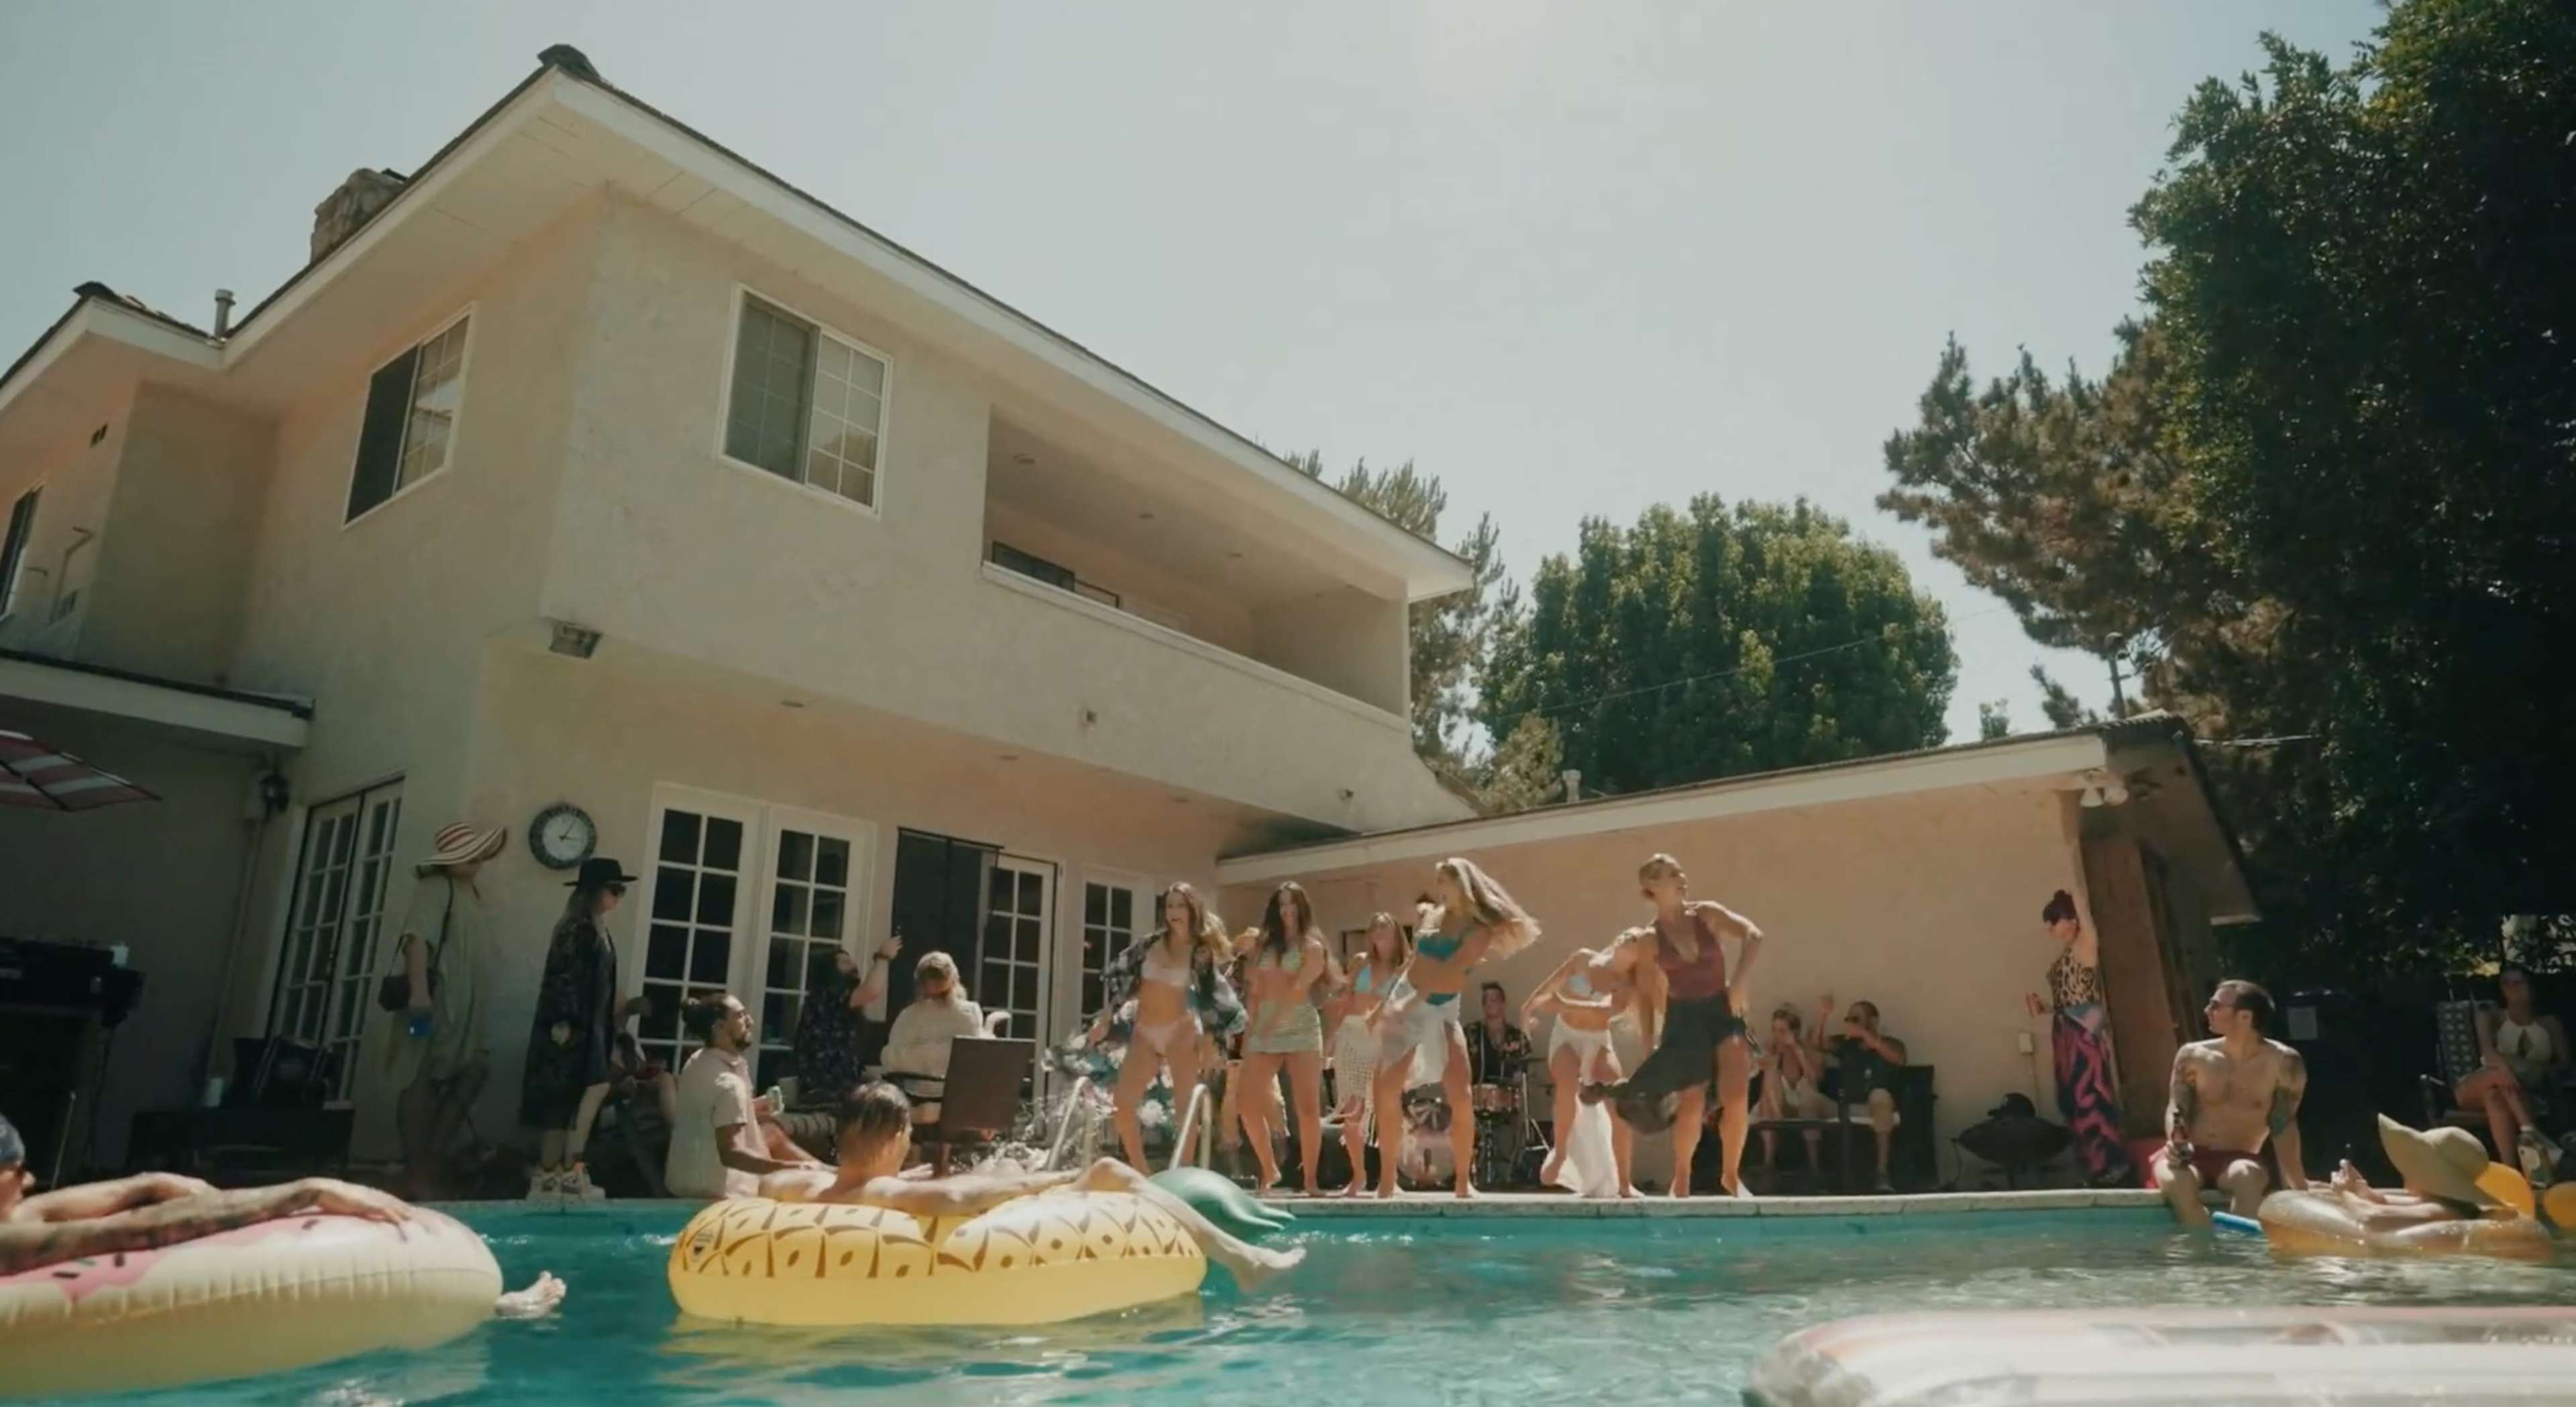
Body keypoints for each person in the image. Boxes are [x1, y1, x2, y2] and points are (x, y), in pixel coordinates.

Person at [0, 1113, 564, 1316]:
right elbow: (134, 1231)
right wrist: (304, 1192)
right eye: (18, 1171)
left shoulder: (19, 1217)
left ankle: (474, 1306)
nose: (31, 1182)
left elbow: (129, 1197)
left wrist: (164, 1183)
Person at [759, 1082, 1303, 1290]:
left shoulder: (798, 1185)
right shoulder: (888, 1196)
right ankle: (1240, 1259)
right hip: (1000, 1242)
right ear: (895, 1136)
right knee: (1110, 1174)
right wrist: (1057, 1176)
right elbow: (955, 1199)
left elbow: (770, 1190)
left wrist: (904, 1175)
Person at [1578, 854, 1764, 1197]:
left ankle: (1731, 1175)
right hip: (1684, 1020)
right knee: (1691, 1102)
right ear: (1652, 888)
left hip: (1722, 1011)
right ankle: (1682, 1176)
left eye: (1681, 870)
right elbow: (1648, 996)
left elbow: (1754, 935)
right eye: (1671, 874)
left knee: (1736, 1095)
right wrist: (1649, 1047)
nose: (1682, 876)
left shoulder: (1707, 914)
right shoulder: (1650, 940)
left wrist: (1738, 982)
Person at [1368, 858, 1541, 1198]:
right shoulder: (1433, 917)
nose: (1441, 889)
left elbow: (1450, 971)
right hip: (1407, 995)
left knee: (1460, 1092)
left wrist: (1411, 1004)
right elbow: (1414, 963)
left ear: (1464, 884)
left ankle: (1464, 1182)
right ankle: (1388, 1181)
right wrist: (1386, 1003)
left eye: (1446, 882)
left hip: (1440, 1006)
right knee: (1386, 1090)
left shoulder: (1478, 930)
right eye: (1438, 882)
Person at [378, 820, 506, 1200]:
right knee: (419, 1075)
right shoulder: (436, 888)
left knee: (473, 1069)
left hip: (464, 1009)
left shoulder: (472, 894)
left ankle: (430, 1160)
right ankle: (417, 1169)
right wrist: (419, 993)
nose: (474, 860)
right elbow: (417, 939)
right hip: (431, 1004)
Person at [1077, 883, 1244, 1172]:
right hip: (1145, 1031)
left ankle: (1184, 1170)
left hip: (1180, 1030)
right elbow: (1126, 986)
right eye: (1170, 906)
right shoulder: (1149, 944)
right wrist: (1105, 1020)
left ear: (1192, 910)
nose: (1174, 912)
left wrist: (1208, 1042)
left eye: (1180, 906)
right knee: (1123, 1104)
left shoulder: (1199, 952)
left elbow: (1207, 998)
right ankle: (1141, 1171)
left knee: (1185, 1108)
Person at [520, 856, 650, 1200]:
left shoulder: (593, 927)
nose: (619, 897)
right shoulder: (577, 929)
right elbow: (563, 978)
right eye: (615, 889)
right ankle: (558, 1173)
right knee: (570, 1096)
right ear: (595, 891)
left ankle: (560, 1173)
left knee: (578, 1094)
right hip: (572, 1026)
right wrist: (563, 1022)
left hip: (589, 1026)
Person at [2153, 979, 2309, 1227]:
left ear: (2245, 1017)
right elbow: (2176, 1106)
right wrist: (2175, 1140)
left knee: (2247, 1178)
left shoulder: (2283, 1064)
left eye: (2215, 1006)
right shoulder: (2193, 1056)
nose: (2207, 1011)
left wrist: (2299, 1187)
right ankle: (2203, 1250)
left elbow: (2283, 1124)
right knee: (2179, 1183)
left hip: (2240, 1158)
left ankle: (2239, 1256)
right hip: (2190, 1155)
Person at [665, 991, 826, 1199]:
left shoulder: (698, 1061)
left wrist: (753, 1105)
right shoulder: (729, 1085)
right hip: (720, 1196)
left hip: (680, 1183)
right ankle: (828, 1175)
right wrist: (792, 1168)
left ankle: (827, 1170)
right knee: (807, 1183)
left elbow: (711, 1111)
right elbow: (732, 1154)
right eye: (740, 1016)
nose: (750, 1021)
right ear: (720, 1027)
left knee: (770, 1132)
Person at [2023, 889, 2135, 1187]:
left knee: (2092, 1094)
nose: (2050, 929)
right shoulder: (2065, 955)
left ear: (2071, 921)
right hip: (2066, 1028)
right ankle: (2091, 1166)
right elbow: (2069, 998)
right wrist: (2044, 1008)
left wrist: (2077, 899)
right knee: (2071, 1098)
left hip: (2084, 1030)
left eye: (2054, 921)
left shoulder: (2085, 947)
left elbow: (2088, 923)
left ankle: (2111, 1165)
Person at [1234, 883, 1336, 1194]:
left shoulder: (1313, 947)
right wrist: (1250, 1032)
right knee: (1245, 1102)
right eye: (1281, 904)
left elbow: (1296, 992)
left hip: (1301, 1026)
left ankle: (1310, 1180)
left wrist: (1269, 1024)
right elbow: (1254, 992)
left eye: (1292, 904)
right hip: (1264, 1025)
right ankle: (1269, 1168)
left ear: (1302, 907)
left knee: (1306, 1108)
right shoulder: (1264, 946)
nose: (1286, 910)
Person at [1523, 944, 1638, 1198]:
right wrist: (1528, 1009)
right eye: (1628, 937)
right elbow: (1551, 985)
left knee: (1620, 1104)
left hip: (1598, 1040)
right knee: (1567, 1084)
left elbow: (1606, 1011)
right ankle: (1561, 1154)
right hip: (1566, 1037)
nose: (1630, 939)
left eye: (1636, 942)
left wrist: (1565, 1004)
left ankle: (1625, 1182)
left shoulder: (1627, 983)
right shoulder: (1583, 958)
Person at [2455, 966, 2569, 1176]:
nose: (2512, 988)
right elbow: (2488, 1053)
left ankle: (2512, 1173)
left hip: (2518, 1091)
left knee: (2495, 1097)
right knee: (2494, 1076)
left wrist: (2534, 1070)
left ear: (2532, 988)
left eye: (2519, 983)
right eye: (2506, 983)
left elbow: (2565, 1064)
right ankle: (2533, 1134)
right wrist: (2508, 1069)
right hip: (2475, 1085)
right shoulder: (2491, 1017)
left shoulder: (2549, 1023)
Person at [1326, 913, 1407, 1197]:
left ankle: (1389, 1176)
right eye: (1375, 930)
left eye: (1385, 929)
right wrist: (1332, 1037)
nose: (1379, 935)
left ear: (1397, 936)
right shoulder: (1361, 961)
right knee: (1352, 1110)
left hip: (1383, 1039)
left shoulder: (1402, 969)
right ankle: (1358, 1177)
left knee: (1385, 1111)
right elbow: (1346, 999)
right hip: (1352, 1033)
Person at [2326, 1115, 2514, 1231]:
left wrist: (2344, 1193)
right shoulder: (2437, 1201)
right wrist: (2360, 1188)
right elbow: (2384, 1203)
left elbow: (2371, 1219)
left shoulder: (2442, 1211)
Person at [1812, 994, 1909, 1192]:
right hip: (1846, 1106)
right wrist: (1823, 1015)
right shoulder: (1846, 1044)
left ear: (1872, 1021)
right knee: (1810, 1101)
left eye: (1855, 1019)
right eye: (1848, 1019)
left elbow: (1899, 1058)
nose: (1849, 1023)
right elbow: (1817, 1044)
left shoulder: (1891, 1043)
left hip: (1877, 1109)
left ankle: (1882, 1173)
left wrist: (1868, 1037)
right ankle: (1815, 1174)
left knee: (1880, 1095)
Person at [792, 935, 900, 1110]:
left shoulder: (839, 1000)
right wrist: (882, 957)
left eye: (851, 961)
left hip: (840, 1084)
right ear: (829, 971)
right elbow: (872, 991)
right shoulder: (827, 996)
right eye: (844, 962)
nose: (854, 966)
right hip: (823, 1087)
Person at [881, 950, 989, 1124]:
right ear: (954, 980)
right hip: (958, 1100)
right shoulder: (971, 1012)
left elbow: (890, 1061)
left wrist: (922, 1055)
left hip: (917, 1097)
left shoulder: (909, 1016)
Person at [1465, 980, 1533, 1184]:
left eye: (1495, 999)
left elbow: (1525, 1065)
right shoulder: (1472, 1033)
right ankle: (1471, 1172)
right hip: (1476, 1094)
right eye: (1487, 1001)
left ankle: (1506, 1173)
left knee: (1510, 1128)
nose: (1491, 1004)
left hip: (1507, 1096)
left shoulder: (1516, 1036)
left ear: (1503, 1003)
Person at [1754, 1005, 1832, 1177]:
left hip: (1808, 1100)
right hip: (1778, 1105)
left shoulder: (1807, 1047)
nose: (1778, 1035)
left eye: (1783, 1031)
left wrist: (1797, 1050)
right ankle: (1769, 1163)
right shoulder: (1771, 1050)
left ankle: (1814, 1167)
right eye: (1775, 1030)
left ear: (1795, 1032)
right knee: (1770, 1078)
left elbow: (1815, 1078)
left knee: (1809, 1104)